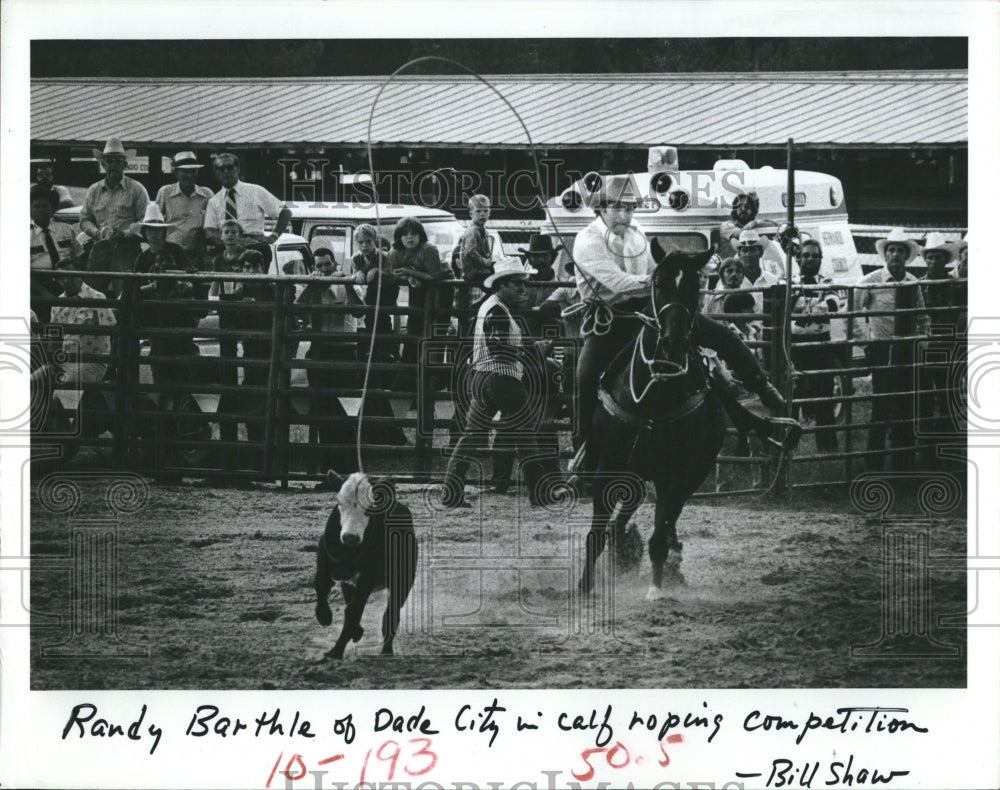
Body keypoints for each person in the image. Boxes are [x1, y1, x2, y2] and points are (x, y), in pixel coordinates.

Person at [570, 174, 786, 474]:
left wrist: (674, 273)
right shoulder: (587, 240)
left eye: (630, 208)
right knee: (586, 375)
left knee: (717, 335)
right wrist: (660, 281)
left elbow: (653, 268)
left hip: (647, 310)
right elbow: (616, 282)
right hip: (609, 321)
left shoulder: (636, 235)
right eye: (617, 208)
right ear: (602, 209)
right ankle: (584, 445)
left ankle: (760, 389)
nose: (625, 214)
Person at [442, 257, 553, 508]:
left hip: (482, 376)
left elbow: (497, 345)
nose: (523, 289)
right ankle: (539, 493)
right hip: (502, 378)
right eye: (517, 284)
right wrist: (536, 351)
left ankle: (451, 491)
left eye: (524, 285)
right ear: (502, 285)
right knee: (526, 434)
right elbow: (499, 348)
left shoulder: (491, 307)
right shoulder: (497, 311)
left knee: (470, 436)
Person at [855, 228, 929, 472]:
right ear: (884, 255)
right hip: (882, 348)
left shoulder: (912, 283)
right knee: (882, 404)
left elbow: (921, 317)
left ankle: (903, 463)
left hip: (907, 349)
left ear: (907, 256)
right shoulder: (871, 281)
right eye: (892, 250)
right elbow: (854, 314)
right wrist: (867, 343)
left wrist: (921, 343)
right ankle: (874, 462)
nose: (896, 255)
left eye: (900, 251)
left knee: (906, 403)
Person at [80, 138, 149, 297]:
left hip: (127, 249)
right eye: (109, 161)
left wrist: (125, 234)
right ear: (103, 164)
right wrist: (98, 234)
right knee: (93, 294)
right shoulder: (94, 190)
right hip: (99, 247)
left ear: (125, 165)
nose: (113, 165)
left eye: (118, 161)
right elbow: (84, 219)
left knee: (125, 295)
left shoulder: (136, 189)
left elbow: (144, 222)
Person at [789, 239, 842, 451]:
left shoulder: (827, 280)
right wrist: (815, 308)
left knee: (824, 395)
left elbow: (833, 305)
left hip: (821, 345)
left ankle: (827, 448)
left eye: (814, 256)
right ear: (798, 257)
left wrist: (805, 308)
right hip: (795, 344)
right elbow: (787, 306)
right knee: (791, 396)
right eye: (806, 255)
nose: (810, 259)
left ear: (821, 259)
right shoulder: (790, 280)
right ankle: (788, 448)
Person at [388, 217, 450, 389]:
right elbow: (393, 273)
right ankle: (409, 378)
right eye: (405, 234)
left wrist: (409, 271)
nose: (410, 238)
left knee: (435, 331)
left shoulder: (429, 249)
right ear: (398, 237)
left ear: (420, 235)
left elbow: (435, 275)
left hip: (440, 291)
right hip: (418, 289)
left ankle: (433, 381)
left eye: (414, 233)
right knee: (414, 329)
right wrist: (409, 276)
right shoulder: (395, 253)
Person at [918, 233, 963, 464]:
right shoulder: (920, 284)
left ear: (945, 260)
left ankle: (949, 445)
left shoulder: (953, 285)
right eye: (930, 258)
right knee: (924, 396)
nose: (933, 262)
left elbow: (955, 313)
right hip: (927, 346)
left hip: (947, 345)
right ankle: (926, 448)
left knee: (947, 395)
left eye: (937, 258)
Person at [208, 219, 247, 452]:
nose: (230, 235)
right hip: (226, 311)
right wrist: (211, 301)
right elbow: (215, 284)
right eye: (226, 232)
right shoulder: (218, 260)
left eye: (234, 232)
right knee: (227, 360)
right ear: (221, 236)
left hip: (241, 309)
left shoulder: (244, 256)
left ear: (240, 236)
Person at [49, 258, 117, 388]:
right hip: (64, 361)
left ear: (79, 273)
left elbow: (112, 332)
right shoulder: (57, 303)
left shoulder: (97, 298)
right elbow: (54, 338)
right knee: (32, 384)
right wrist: (51, 362)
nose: (66, 280)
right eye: (61, 277)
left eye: (70, 275)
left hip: (92, 361)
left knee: (64, 392)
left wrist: (110, 364)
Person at [203, 152, 291, 248]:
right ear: (216, 173)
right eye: (221, 169)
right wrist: (234, 240)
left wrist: (274, 236)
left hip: (254, 246)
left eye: (230, 167)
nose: (226, 172)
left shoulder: (256, 191)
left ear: (238, 169)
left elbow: (285, 212)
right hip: (226, 249)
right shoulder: (214, 201)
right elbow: (209, 232)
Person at [30, 184, 82, 323]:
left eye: (45, 206)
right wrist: (45, 294)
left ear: (52, 208)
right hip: (38, 284)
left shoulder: (65, 229)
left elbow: (79, 257)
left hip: (67, 280)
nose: (41, 210)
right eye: (36, 206)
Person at [154, 151, 214, 268]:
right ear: (176, 173)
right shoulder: (165, 192)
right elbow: (156, 223)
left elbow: (212, 223)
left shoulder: (207, 194)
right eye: (185, 171)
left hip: (197, 253)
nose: (190, 175)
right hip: (170, 254)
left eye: (193, 171)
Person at [350, 223, 398, 364]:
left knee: (383, 322)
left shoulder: (385, 256)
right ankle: (374, 352)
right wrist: (358, 272)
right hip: (368, 298)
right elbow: (354, 275)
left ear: (374, 241)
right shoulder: (356, 259)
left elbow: (391, 273)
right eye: (361, 242)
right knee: (370, 320)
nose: (364, 245)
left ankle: (386, 351)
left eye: (368, 241)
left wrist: (378, 270)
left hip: (386, 297)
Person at [457, 194, 495, 310]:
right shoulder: (473, 231)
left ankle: (482, 307)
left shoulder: (481, 230)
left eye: (485, 211)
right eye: (478, 211)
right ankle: (478, 307)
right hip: (474, 273)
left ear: (489, 212)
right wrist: (488, 263)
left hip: (479, 272)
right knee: (497, 288)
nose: (482, 214)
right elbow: (470, 253)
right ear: (471, 214)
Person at [131, 203, 192, 275]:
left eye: (157, 229)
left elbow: (189, 272)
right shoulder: (142, 258)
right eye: (150, 229)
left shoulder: (176, 250)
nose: (154, 233)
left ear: (163, 232)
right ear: (144, 232)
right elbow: (136, 281)